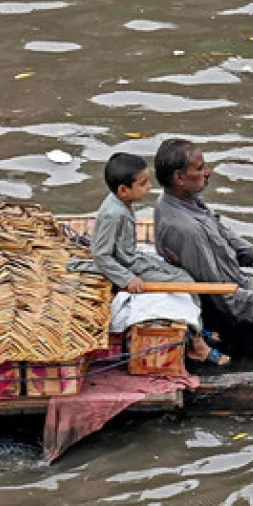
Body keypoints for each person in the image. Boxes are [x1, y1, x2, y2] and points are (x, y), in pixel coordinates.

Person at [152, 138, 253, 350]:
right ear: (180, 177)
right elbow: (225, 301)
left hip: (242, 292)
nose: (208, 172)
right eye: (200, 168)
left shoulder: (184, 200)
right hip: (231, 323)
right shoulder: (187, 231)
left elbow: (224, 235)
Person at [91, 152, 228, 367]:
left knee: (185, 276)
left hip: (133, 258)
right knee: (185, 285)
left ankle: (197, 329)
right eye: (143, 183)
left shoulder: (122, 202)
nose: (149, 187)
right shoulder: (113, 215)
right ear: (123, 190)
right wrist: (127, 279)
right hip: (127, 265)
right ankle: (198, 347)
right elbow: (101, 254)